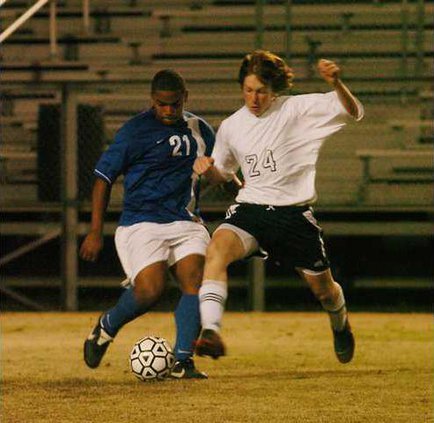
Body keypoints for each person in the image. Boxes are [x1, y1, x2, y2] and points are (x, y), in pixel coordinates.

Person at [193, 50, 364, 364]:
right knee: (216, 250)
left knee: (324, 292)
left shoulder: (297, 109)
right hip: (252, 210)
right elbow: (223, 173)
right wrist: (209, 170)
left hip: (292, 215)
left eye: (261, 91)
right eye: (248, 90)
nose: (254, 98)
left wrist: (337, 83)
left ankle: (340, 324)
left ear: (274, 90)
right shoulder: (232, 126)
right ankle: (211, 331)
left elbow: (352, 111)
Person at [80, 69, 214, 379]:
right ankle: (107, 326)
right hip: (142, 223)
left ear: (185, 99)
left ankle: (183, 361)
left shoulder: (201, 130)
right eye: (161, 104)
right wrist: (95, 231)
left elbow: (220, 165)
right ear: (152, 100)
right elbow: (102, 179)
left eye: (175, 105)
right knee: (150, 291)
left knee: (195, 280)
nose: (168, 111)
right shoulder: (134, 131)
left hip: (185, 221)